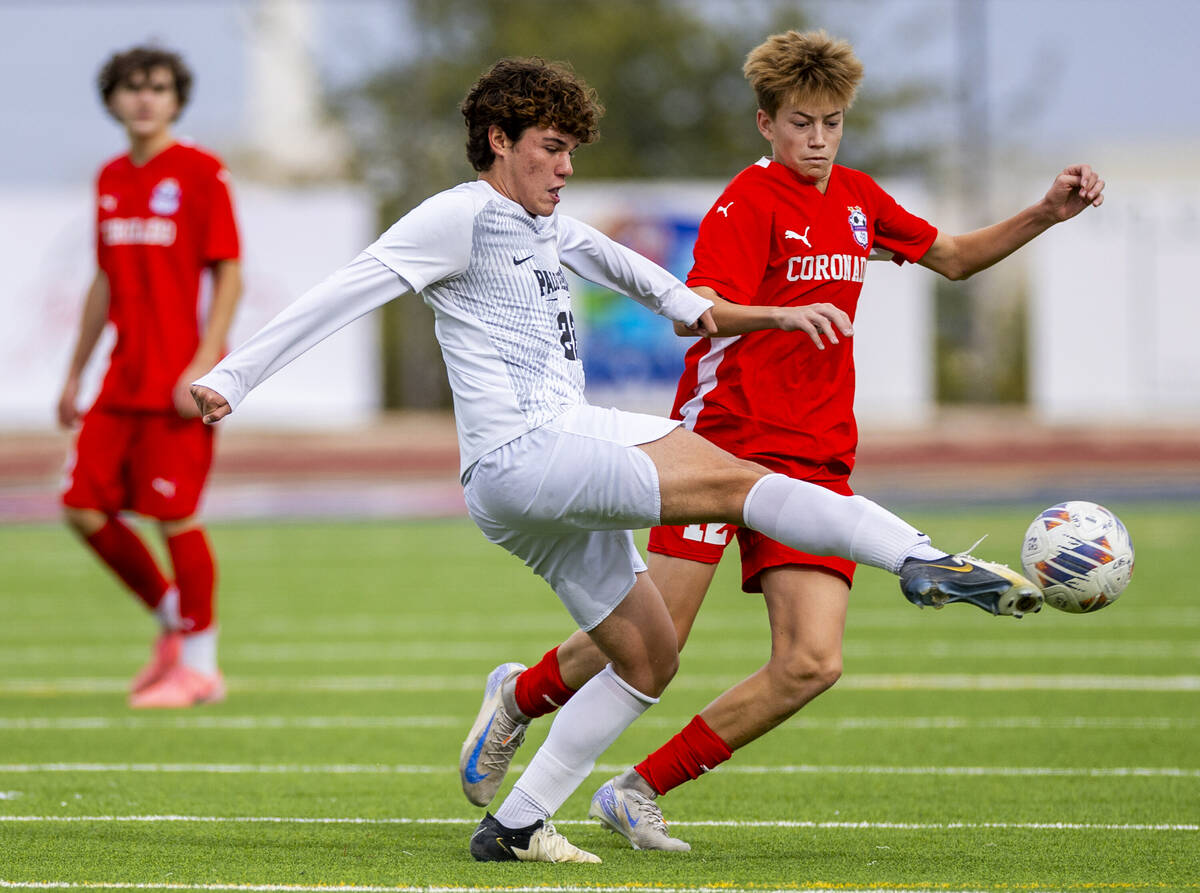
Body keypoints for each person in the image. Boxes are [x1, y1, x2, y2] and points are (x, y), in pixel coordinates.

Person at [189, 56, 1039, 864]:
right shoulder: (456, 216)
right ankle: (921, 558)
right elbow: (343, 290)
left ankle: (518, 823)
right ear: (498, 140)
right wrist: (233, 377)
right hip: (535, 447)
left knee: (648, 657)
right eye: (552, 148)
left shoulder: (551, 225)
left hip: (525, 486)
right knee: (744, 483)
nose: (564, 168)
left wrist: (774, 317)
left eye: (569, 151)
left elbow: (673, 299)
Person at [457, 30, 1106, 853]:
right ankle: (520, 698)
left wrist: (1047, 211)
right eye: (802, 123)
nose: (819, 140)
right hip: (720, 445)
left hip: (817, 455)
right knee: (651, 640)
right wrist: (779, 314)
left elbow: (952, 256)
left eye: (832, 123)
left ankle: (637, 789)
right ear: (767, 123)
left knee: (812, 662)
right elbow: (704, 304)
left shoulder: (861, 199)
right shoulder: (747, 203)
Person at [58, 46, 243, 709]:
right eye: (132, 87)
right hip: (119, 381)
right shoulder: (109, 177)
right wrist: (75, 372)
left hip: (175, 382)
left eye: (158, 87)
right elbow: (104, 278)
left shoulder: (200, 173)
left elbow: (229, 271)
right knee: (80, 506)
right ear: (113, 98)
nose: (145, 98)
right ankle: (171, 616)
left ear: (175, 99)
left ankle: (201, 668)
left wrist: (204, 364)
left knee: (176, 516)